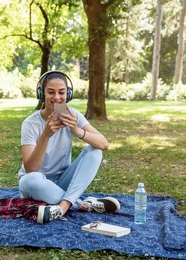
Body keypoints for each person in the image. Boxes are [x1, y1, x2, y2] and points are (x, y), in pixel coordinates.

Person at [18, 70, 120, 224]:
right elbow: (31, 169)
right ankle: (83, 204)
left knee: (94, 150)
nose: (57, 98)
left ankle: (63, 206)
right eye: (51, 92)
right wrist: (45, 135)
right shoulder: (30, 123)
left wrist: (77, 131)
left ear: (68, 94)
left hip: (62, 180)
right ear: (42, 94)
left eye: (62, 92)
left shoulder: (73, 115)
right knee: (30, 179)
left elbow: (104, 144)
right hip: (37, 184)